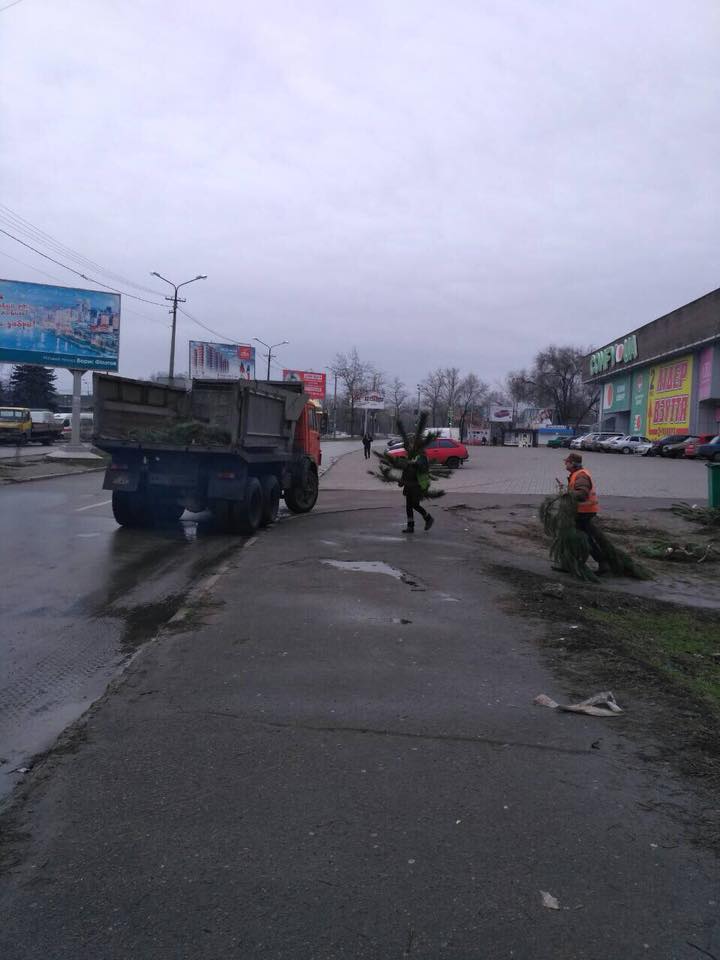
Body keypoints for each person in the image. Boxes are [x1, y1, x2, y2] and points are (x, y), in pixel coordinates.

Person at [562, 452, 608, 574]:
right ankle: (574, 563)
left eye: (566, 461)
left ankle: (602, 563)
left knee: (584, 539)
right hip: (583, 511)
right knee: (581, 538)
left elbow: (582, 494)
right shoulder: (576, 474)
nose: (565, 463)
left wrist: (568, 495)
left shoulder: (581, 475)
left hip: (583, 512)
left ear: (572, 463)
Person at [399, 452, 434, 533]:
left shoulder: (421, 456)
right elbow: (405, 471)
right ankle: (410, 527)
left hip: (417, 487)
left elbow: (421, 466)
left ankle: (428, 518)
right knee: (409, 507)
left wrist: (411, 463)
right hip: (408, 487)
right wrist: (401, 481)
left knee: (415, 505)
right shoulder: (410, 456)